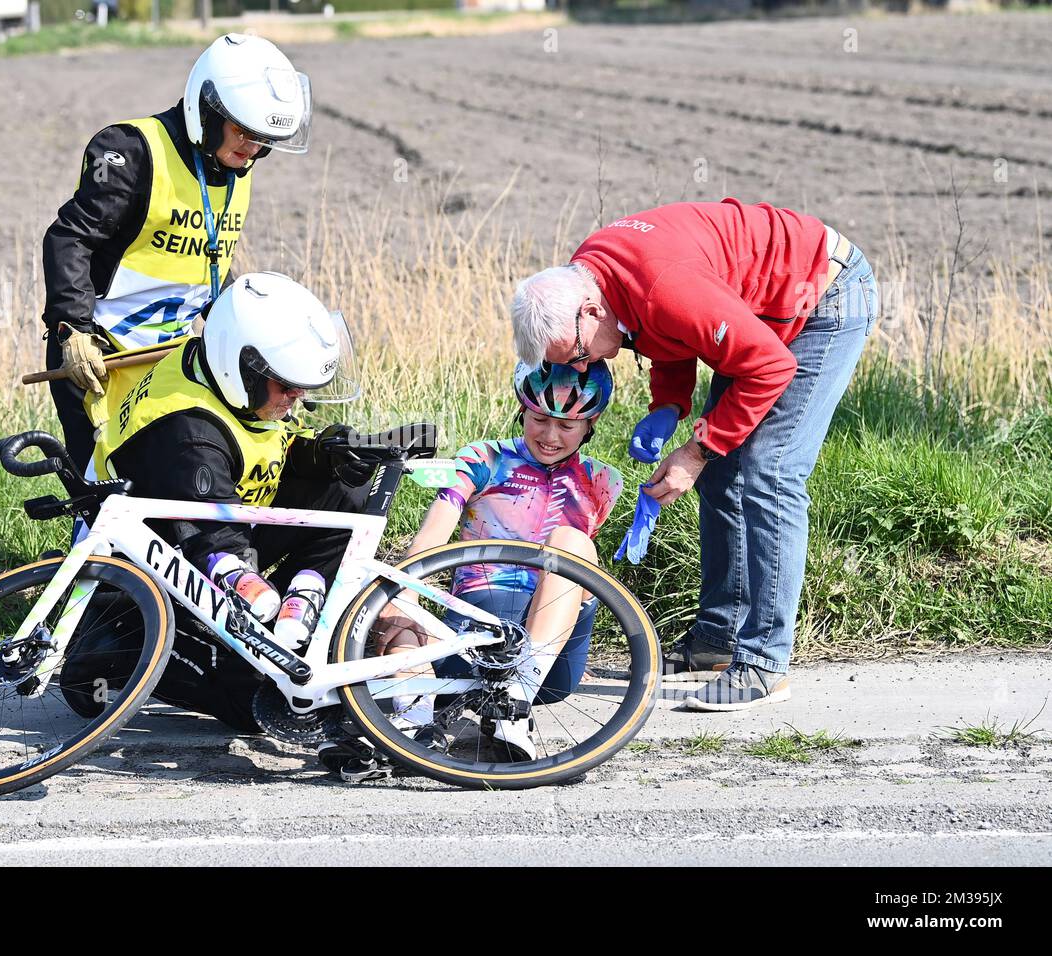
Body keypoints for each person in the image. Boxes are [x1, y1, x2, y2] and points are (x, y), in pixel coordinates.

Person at [511, 198, 880, 712]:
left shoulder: (663, 284)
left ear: (590, 311)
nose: (584, 366)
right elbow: (665, 330)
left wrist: (695, 450)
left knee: (768, 471)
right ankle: (717, 640)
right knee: (722, 477)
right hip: (754, 307)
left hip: (822, 295)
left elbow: (768, 366)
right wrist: (668, 404)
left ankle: (765, 664)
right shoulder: (594, 275)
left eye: (579, 355)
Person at [60, 272, 372, 731]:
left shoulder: (220, 372)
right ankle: (99, 654)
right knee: (259, 700)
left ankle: (298, 608)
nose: (298, 397)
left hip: (211, 523)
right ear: (243, 368)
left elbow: (264, 450)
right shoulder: (187, 436)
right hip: (153, 574)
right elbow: (217, 540)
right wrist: (261, 628)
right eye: (288, 387)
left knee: (346, 486)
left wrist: (325, 454)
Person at [40, 33, 312, 469]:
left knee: (185, 476)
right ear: (207, 111)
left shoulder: (236, 161)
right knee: (109, 484)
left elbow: (206, 262)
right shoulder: (129, 151)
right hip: (101, 353)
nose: (253, 150)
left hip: (175, 356)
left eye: (263, 141)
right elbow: (69, 238)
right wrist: (71, 329)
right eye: (243, 132)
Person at [372, 360, 623, 760]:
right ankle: (413, 729)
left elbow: (580, 572)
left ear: (590, 426)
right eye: (540, 418)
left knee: (571, 541)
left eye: (568, 425)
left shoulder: (603, 481)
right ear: (522, 410)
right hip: (471, 631)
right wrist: (402, 601)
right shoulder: (483, 458)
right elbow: (432, 534)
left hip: (550, 647)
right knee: (397, 600)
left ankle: (518, 697)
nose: (551, 435)